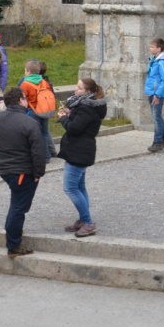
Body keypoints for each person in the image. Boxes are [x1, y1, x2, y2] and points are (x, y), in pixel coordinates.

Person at [0, 87, 47, 257]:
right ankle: (13, 244)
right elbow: (38, 151)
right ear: (20, 100)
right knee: (18, 207)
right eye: (25, 98)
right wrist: (38, 173)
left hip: (5, 168)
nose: (27, 101)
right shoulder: (29, 122)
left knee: (17, 202)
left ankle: (14, 234)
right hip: (22, 171)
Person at [58, 77, 107, 238]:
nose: (75, 90)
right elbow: (79, 123)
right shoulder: (85, 105)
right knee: (79, 187)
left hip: (78, 152)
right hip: (79, 150)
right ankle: (83, 219)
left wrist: (63, 118)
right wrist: (69, 114)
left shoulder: (86, 108)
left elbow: (74, 128)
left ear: (88, 92)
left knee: (70, 188)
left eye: (79, 88)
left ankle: (88, 222)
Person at [21, 60, 58, 158]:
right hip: (45, 110)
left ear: (28, 71)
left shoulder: (25, 84)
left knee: (35, 134)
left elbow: (22, 98)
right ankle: (46, 155)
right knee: (44, 133)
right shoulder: (44, 82)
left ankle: (39, 156)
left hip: (33, 111)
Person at [144, 38, 164, 152]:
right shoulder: (153, 60)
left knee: (156, 118)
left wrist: (157, 95)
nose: (150, 48)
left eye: (152, 47)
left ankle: (158, 141)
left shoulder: (162, 62)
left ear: (159, 49)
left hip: (157, 94)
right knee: (157, 116)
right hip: (152, 92)